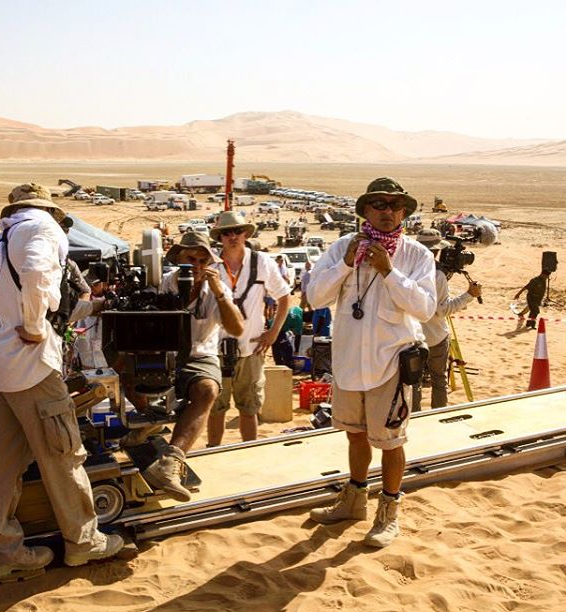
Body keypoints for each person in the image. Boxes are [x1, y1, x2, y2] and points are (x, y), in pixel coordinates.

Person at [0, 183, 123, 579]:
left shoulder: (0, 240)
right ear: (46, 208)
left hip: (4, 367)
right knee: (62, 453)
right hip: (33, 366)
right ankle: (84, 542)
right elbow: (37, 273)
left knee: (1, 463)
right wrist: (34, 326)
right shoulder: (41, 228)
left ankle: (3, 553)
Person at [307, 177, 436, 548]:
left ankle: (389, 512)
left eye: (395, 205)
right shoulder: (342, 247)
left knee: (391, 442)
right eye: (379, 204)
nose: (387, 211)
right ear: (365, 210)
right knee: (354, 433)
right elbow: (315, 297)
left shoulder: (416, 255)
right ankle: (354, 500)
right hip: (349, 362)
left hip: (390, 364)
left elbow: (425, 308)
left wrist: (389, 272)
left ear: (404, 212)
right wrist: (346, 265)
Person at [142, 232, 244, 501]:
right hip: (162, 353)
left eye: (203, 260)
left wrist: (220, 293)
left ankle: (170, 463)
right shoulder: (162, 284)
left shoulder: (216, 289)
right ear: (178, 258)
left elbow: (236, 329)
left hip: (199, 355)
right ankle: (141, 434)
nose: (196, 266)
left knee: (208, 390)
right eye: (190, 259)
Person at [207, 212, 291, 445]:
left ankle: (250, 451)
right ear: (220, 237)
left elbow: (284, 297)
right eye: (227, 233)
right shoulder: (211, 265)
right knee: (215, 408)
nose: (233, 236)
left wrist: (273, 332)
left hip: (251, 348)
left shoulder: (262, 262)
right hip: (215, 350)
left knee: (249, 408)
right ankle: (213, 452)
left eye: (237, 231)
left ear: (246, 234)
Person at [411, 229, 482, 411]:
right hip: (435, 337)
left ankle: (415, 417)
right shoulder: (437, 275)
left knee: (413, 382)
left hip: (411, 338)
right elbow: (442, 309)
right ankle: (438, 414)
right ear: (437, 250)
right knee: (439, 380)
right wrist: (469, 295)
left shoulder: (407, 269)